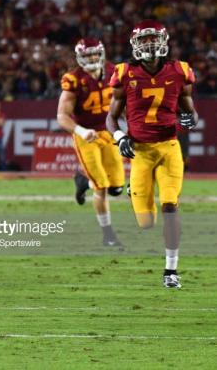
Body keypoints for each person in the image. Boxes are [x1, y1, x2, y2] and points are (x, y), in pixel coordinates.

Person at [106, 20, 198, 289]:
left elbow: (190, 110)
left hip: (169, 147)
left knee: (170, 205)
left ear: (164, 41)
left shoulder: (180, 71)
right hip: (141, 151)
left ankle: (171, 269)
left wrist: (190, 118)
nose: (149, 44)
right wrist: (120, 136)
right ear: (135, 44)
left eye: (153, 38)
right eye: (143, 40)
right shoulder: (124, 74)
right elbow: (111, 118)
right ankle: (133, 188)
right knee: (146, 222)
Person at [57, 38, 124, 247]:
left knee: (117, 188)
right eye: (88, 55)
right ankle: (108, 234)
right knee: (101, 186)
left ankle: (82, 181)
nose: (93, 58)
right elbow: (62, 115)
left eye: (95, 54)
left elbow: (126, 101)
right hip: (87, 136)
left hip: (108, 133)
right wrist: (80, 131)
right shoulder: (74, 79)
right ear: (80, 58)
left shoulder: (115, 72)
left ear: (102, 54)